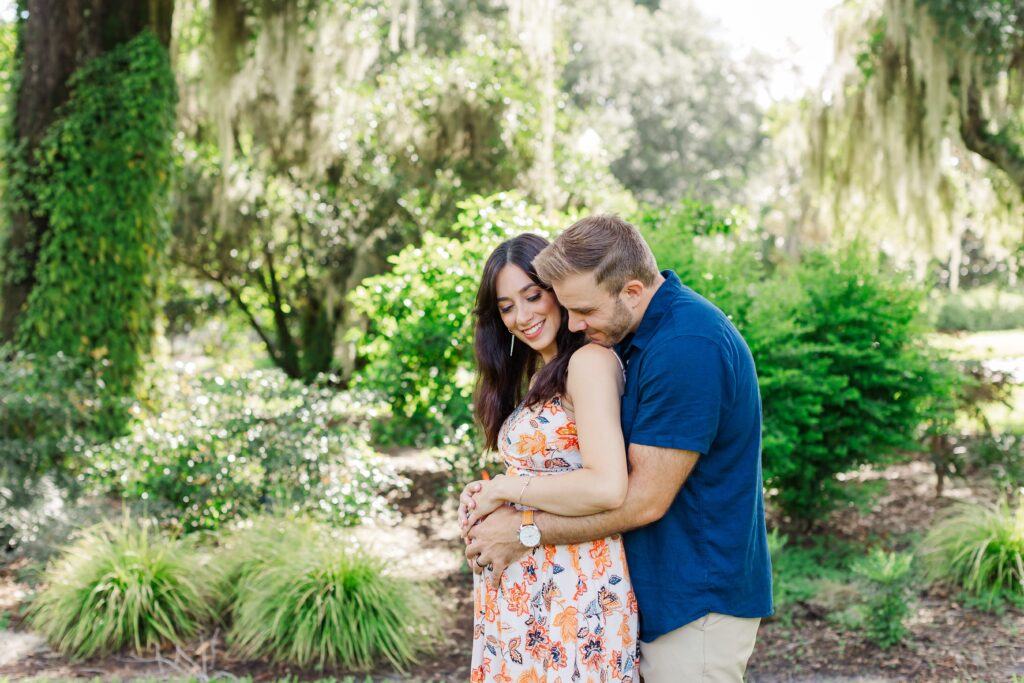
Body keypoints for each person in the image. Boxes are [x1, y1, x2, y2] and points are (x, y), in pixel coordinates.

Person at [463, 215, 773, 683]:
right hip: (650, 586)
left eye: (582, 310)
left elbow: (639, 497)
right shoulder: (637, 337)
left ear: (630, 291)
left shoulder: (687, 346)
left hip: (695, 599)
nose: (574, 323)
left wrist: (523, 528)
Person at [462, 233, 639, 682]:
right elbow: (547, 472)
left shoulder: (590, 363)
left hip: (573, 590)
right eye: (505, 307)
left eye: (532, 296)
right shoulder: (541, 373)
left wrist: (505, 488)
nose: (521, 317)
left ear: (557, 291)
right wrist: (489, 495)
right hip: (528, 593)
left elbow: (605, 485)